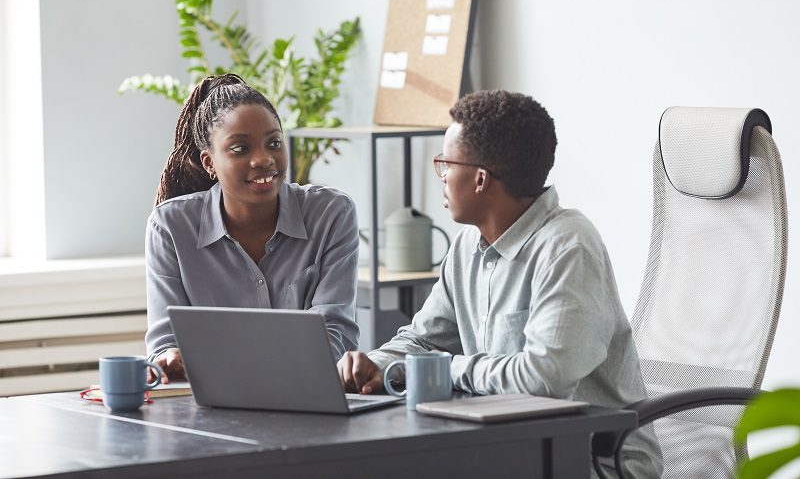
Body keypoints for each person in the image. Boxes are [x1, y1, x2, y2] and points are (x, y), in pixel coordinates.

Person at [337, 90, 662, 477]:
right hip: (506, 450)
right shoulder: (466, 248)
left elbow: (543, 381)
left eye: (445, 164)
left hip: (592, 461)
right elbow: (424, 341)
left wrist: (443, 369)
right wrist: (377, 363)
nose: (441, 177)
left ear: (479, 179)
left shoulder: (568, 247)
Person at [145, 74, 359, 382]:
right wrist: (170, 358)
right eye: (240, 149)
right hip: (209, 406)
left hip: (305, 397)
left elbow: (335, 335)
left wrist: (217, 360)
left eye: (274, 143)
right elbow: (164, 343)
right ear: (209, 162)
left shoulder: (331, 214)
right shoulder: (171, 227)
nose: (263, 159)